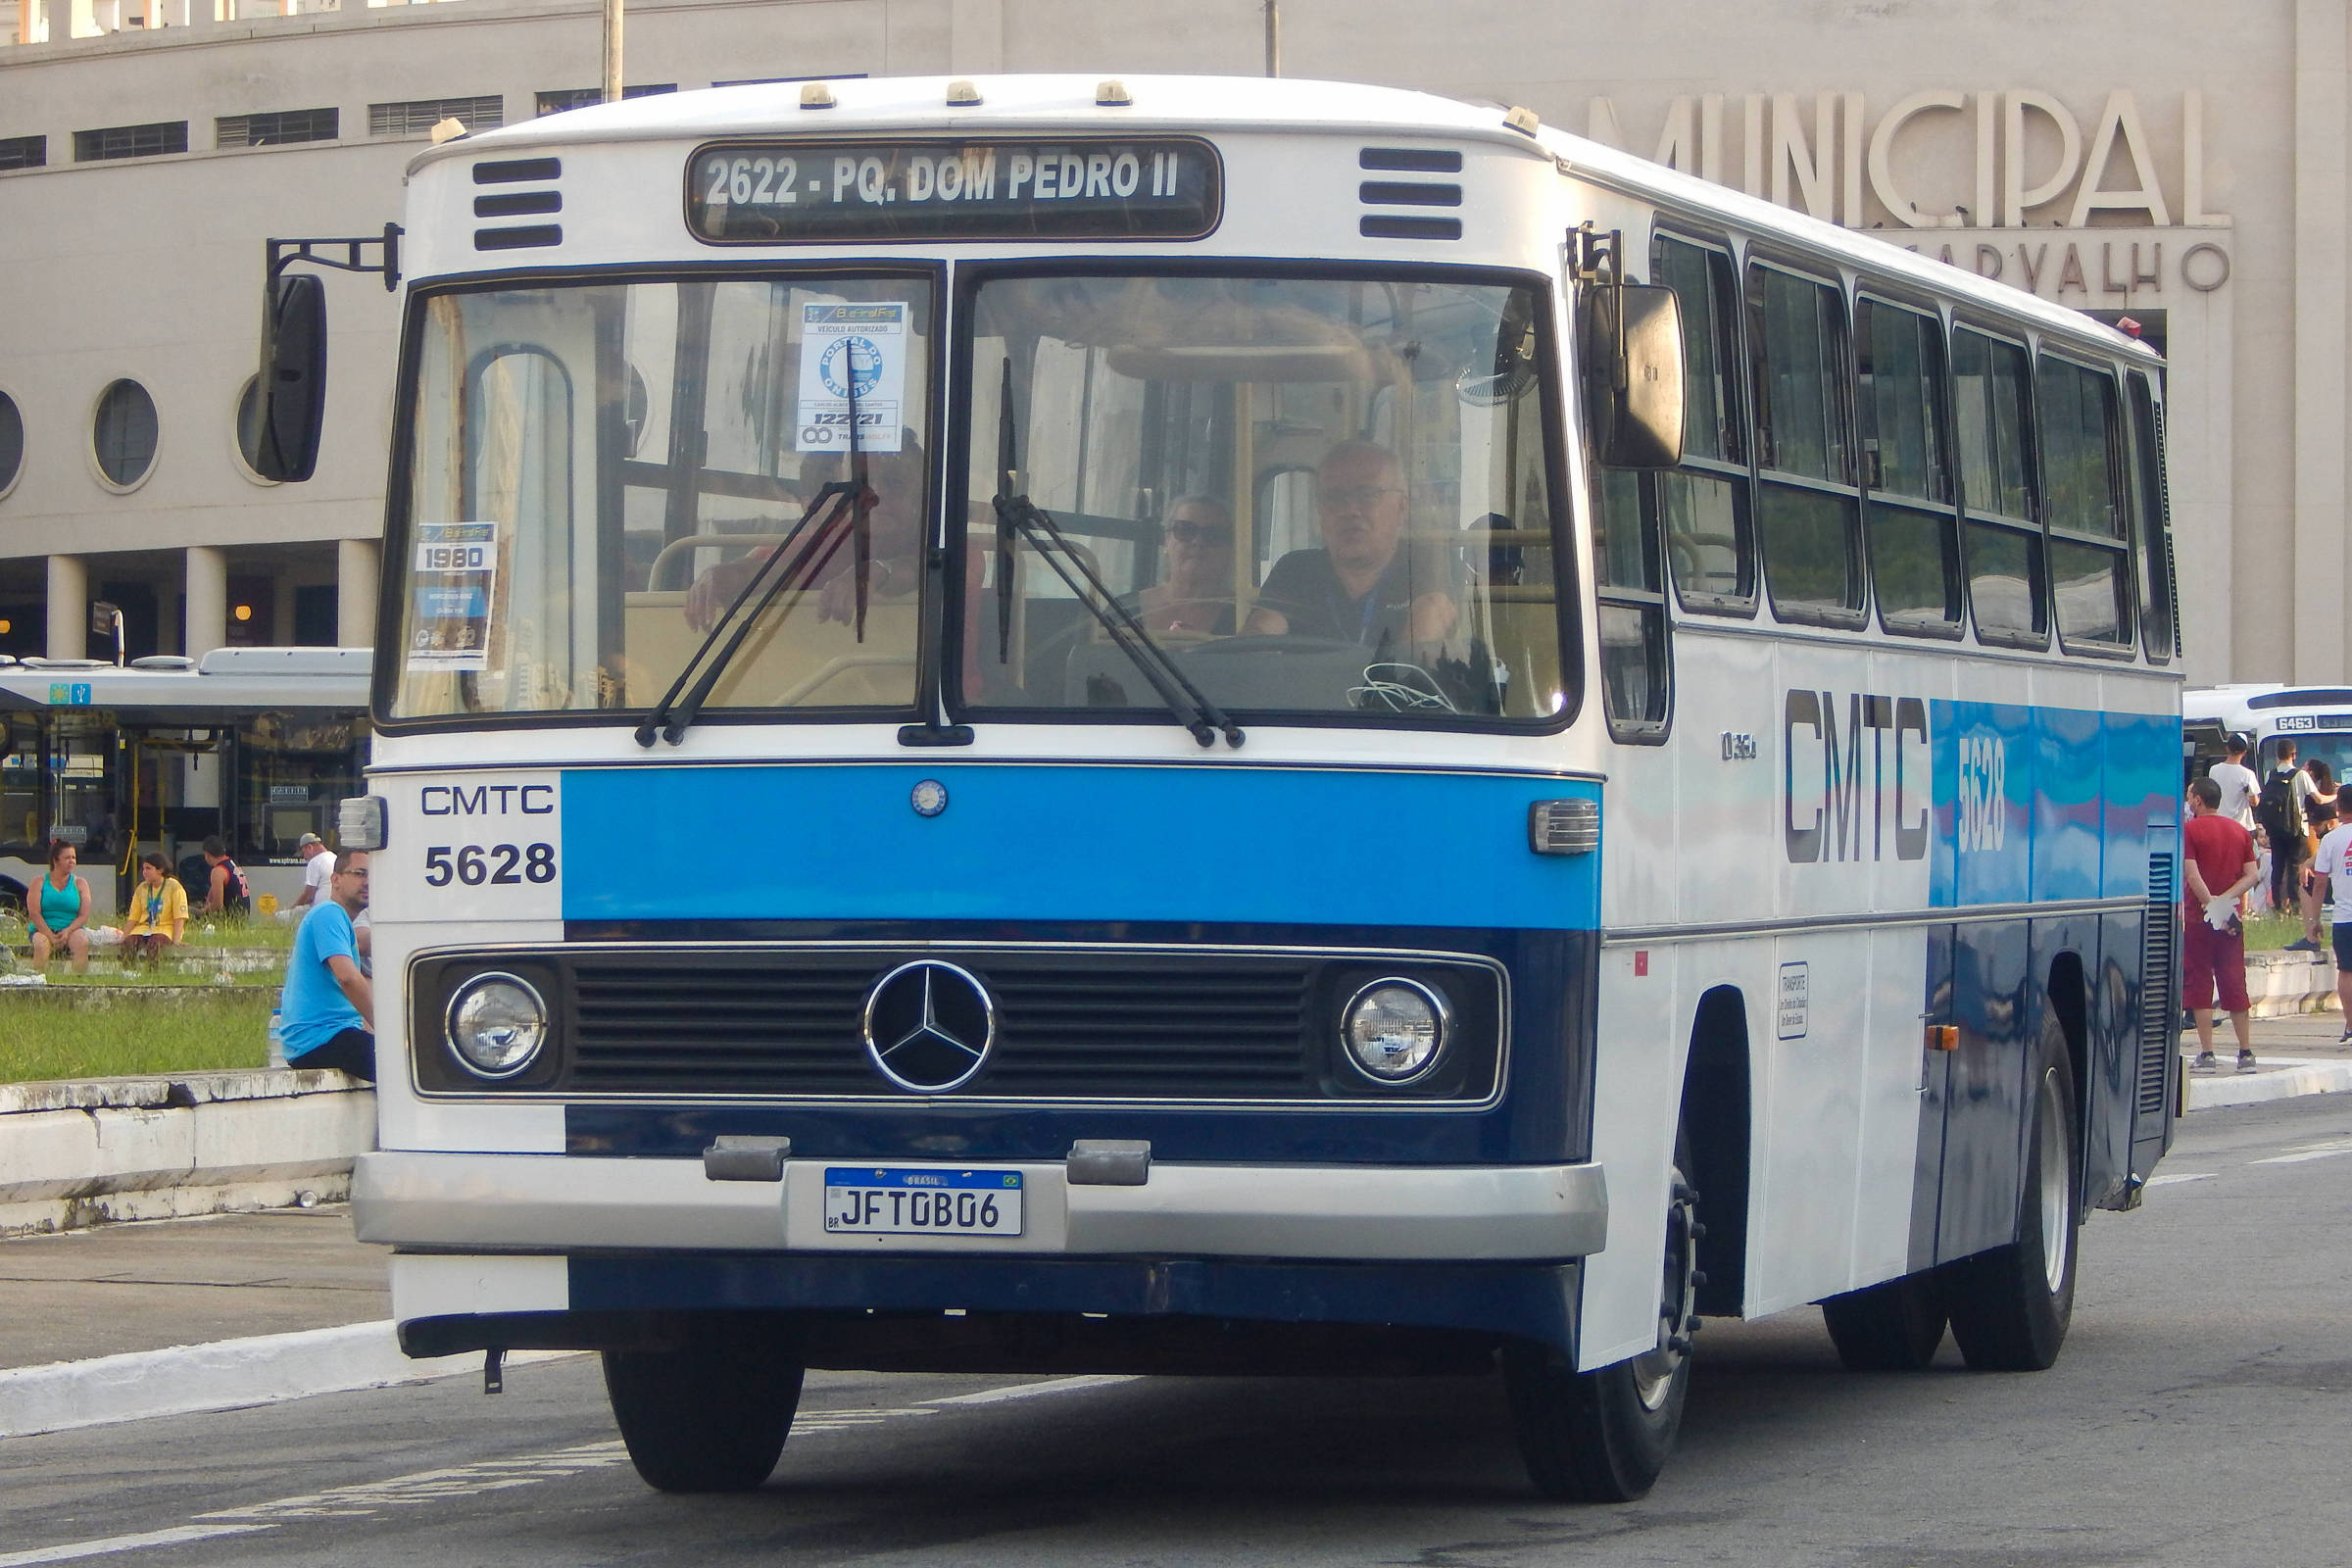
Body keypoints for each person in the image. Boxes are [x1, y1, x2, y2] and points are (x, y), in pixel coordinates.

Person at [1243, 441, 1458, 652]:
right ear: (1320, 508)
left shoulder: (1424, 563)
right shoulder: (1295, 569)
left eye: (1367, 494)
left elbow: (1420, 643)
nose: (1349, 509)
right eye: (1334, 497)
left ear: (1402, 506)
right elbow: (1257, 640)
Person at [2182, 776, 2261, 1075]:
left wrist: (2209, 902)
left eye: (2190, 797)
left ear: (2199, 800)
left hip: (2198, 915)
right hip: (2230, 917)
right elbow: (2252, 875)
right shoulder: (2240, 831)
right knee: (2233, 978)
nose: (2189, 801)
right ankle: (2245, 1051)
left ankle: (2208, 1052)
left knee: (2200, 980)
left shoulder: (2190, 830)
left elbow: (2192, 874)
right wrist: (2225, 901)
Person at [277, 849, 374, 1082]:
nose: (368, 882)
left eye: (373, 875)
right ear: (336, 879)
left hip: (331, 1036)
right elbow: (348, 978)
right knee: (408, 1066)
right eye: (360, 873)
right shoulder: (329, 913)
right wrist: (388, 1028)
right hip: (320, 1039)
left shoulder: (340, 921)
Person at [1126, 495, 1240, 635]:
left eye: (1213, 534)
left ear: (1229, 549)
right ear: (1166, 541)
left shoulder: (1245, 617)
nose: (1198, 542)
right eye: (1185, 530)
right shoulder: (1123, 610)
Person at [2305, 800, 2352, 1044]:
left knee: (2346, 971)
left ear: (2339, 809)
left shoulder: (2331, 840)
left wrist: (2314, 919)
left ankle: (2351, 1025)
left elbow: (2320, 883)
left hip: (2344, 918)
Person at [2256, 741, 2314, 916]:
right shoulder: (2301, 775)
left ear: (2277, 755)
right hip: (2296, 828)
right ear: (2294, 754)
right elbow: (2317, 798)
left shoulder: (2270, 775)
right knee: (2294, 867)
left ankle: (2278, 908)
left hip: (2275, 828)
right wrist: (2334, 795)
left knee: (2277, 867)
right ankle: (2296, 907)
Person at [26, 840, 91, 974]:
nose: (72, 861)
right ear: (55, 861)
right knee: (41, 944)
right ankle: (39, 982)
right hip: (43, 929)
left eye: (74, 857)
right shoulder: (38, 882)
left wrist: (67, 931)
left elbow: (84, 915)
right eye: (67, 858)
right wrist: (50, 935)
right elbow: (34, 913)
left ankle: (79, 983)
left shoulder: (80, 883)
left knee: (82, 942)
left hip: (71, 928)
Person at [121, 851, 189, 962]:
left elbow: (179, 917)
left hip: (164, 929)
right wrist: (123, 938)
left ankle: (152, 973)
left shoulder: (174, 887)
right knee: (129, 942)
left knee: (155, 942)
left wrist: (176, 940)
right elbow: (133, 918)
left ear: (160, 870)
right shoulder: (141, 888)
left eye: (148, 868)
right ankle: (129, 972)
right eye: (143, 869)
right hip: (143, 928)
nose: (144, 872)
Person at [278, 832, 332, 923]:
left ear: (309, 848)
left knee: (280, 917)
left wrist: (291, 910)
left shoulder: (315, 862)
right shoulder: (334, 857)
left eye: (304, 853)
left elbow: (308, 896)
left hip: (318, 910)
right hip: (333, 908)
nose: (304, 857)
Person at [2210, 733, 2259, 833]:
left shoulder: (2213, 770)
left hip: (2220, 825)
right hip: (2242, 826)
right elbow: (2254, 802)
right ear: (2244, 752)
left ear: (2227, 748)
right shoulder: (2248, 774)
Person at [198, 836, 250, 919]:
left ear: (207, 855)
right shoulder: (233, 864)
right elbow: (212, 894)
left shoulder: (218, 871)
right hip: (244, 914)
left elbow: (217, 904)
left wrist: (202, 912)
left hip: (232, 918)